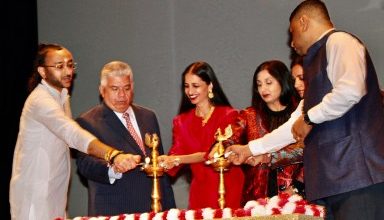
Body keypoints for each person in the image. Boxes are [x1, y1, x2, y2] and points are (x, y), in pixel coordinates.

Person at [226, 1, 384, 219]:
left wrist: (310, 118)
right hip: (338, 182)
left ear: (303, 22)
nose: (291, 43)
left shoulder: (340, 41)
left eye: (292, 33)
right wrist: (250, 149)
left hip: (359, 177)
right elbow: (294, 126)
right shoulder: (316, 65)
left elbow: (350, 90)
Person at [9, 44, 141, 220]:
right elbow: (72, 134)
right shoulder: (40, 100)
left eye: (70, 65)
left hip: (55, 193)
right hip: (35, 195)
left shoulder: (62, 96)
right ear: (42, 71)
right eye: (59, 66)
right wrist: (113, 155)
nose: (68, 71)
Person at [74, 60, 176, 215]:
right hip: (115, 211)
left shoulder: (148, 116)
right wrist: (114, 168)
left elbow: (159, 165)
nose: (122, 95)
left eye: (126, 88)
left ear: (132, 88)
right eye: (115, 89)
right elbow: (85, 166)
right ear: (102, 90)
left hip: (153, 210)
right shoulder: (88, 121)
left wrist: (170, 210)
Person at [158, 61, 244, 209]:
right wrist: (162, 162)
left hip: (228, 185)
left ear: (210, 86)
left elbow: (213, 154)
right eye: (186, 86)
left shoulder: (228, 115)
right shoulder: (181, 121)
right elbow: (175, 155)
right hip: (199, 190)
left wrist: (177, 159)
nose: (190, 91)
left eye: (195, 86)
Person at [217, 60, 302, 205]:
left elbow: (307, 152)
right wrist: (226, 149)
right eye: (259, 84)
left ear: (283, 81)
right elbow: (227, 140)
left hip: (296, 195)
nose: (263, 89)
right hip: (257, 199)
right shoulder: (249, 115)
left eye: (269, 83)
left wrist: (298, 188)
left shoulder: (300, 113)